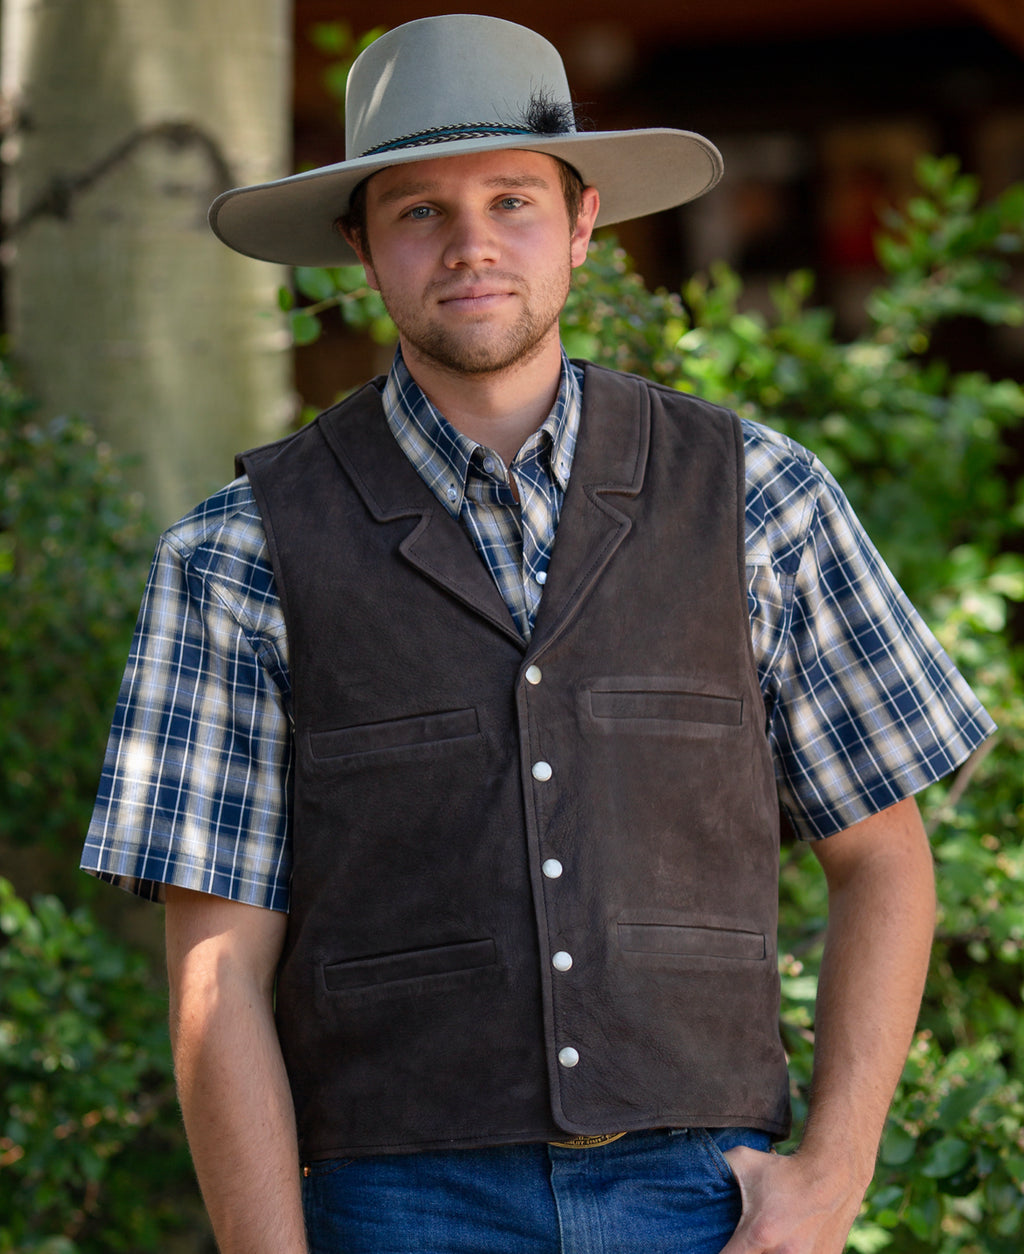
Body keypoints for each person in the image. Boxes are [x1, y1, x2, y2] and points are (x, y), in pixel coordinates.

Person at [81, 14, 994, 1254]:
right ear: (360, 247)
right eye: (417, 212)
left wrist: (829, 1180)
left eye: (512, 200)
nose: (470, 247)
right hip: (391, 1205)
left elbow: (885, 861)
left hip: (699, 1199)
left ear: (580, 225)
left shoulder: (756, 499)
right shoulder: (237, 556)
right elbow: (216, 974)